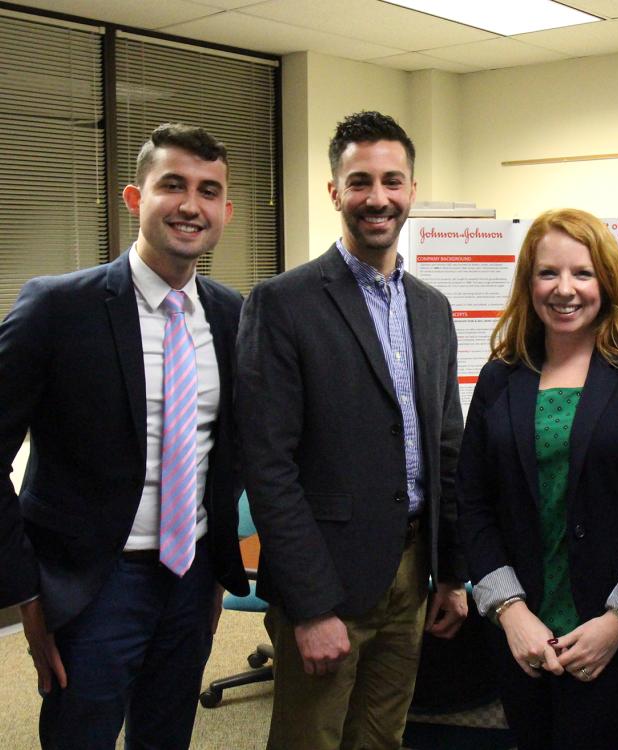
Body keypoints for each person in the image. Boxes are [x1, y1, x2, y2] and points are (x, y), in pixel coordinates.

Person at [0, 123, 249, 748]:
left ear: (225, 210)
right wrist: (28, 593)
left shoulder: (233, 315)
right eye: (173, 185)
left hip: (190, 582)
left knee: (166, 737)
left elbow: (226, 455)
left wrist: (216, 574)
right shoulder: (56, 308)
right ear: (135, 198)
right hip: (92, 587)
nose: (191, 204)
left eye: (208, 190)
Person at [236, 110, 468, 750]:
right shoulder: (283, 303)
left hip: (413, 573)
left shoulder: (432, 307)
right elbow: (269, 466)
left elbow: (447, 445)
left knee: (382, 737)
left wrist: (451, 572)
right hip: (329, 581)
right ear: (334, 191)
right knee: (311, 739)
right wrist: (310, 606)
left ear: (412, 190)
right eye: (360, 181)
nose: (378, 198)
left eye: (393, 181)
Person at [457, 208, 618, 750]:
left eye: (582, 273)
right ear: (528, 283)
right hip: (523, 634)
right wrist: (510, 612)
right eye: (548, 273)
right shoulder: (501, 376)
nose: (564, 289)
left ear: (606, 282)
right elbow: (472, 503)